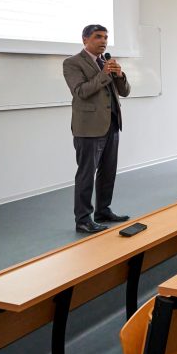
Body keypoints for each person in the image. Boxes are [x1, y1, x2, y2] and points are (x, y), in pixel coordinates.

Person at [63, 24, 131, 233]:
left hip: (111, 125)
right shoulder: (73, 63)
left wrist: (119, 75)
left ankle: (103, 210)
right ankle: (83, 219)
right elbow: (81, 91)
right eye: (98, 37)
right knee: (86, 174)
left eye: (106, 37)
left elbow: (125, 92)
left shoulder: (106, 63)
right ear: (85, 40)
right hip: (89, 128)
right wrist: (104, 73)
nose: (103, 41)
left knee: (108, 171)